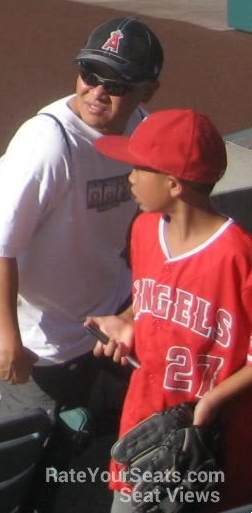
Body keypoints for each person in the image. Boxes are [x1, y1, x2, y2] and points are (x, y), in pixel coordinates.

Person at [0, 16, 164, 429]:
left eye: (116, 84)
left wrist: (132, 311)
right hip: (40, 342)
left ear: (147, 90)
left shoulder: (145, 133)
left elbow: (155, 229)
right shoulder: (47, 144)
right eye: (89, 73)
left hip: (107, 321)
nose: (97, 91)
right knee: (42, 453)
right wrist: (9, 344)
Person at [86, 108, 252, 508]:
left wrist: (211, 402)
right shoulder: (144, 230)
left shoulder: (238, 257)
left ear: (174, 183)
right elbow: (149, 304)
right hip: (143, 423)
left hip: (209, 444)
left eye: (139, 169)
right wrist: (126, 325)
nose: (130, 177)